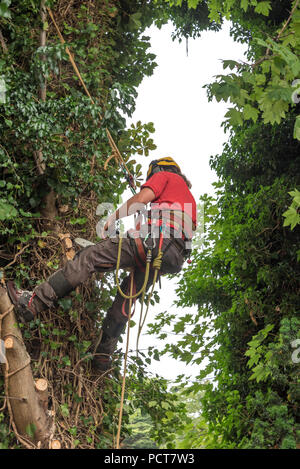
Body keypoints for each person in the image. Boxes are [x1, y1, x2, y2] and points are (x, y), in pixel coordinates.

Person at [7, 157, 197, 373]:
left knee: (90, 257)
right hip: (171, 257)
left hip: (156, 241)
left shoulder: (165, 176)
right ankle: (103, 355)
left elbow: (142, 198)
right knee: (126, 296)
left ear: (158, 170)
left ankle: (34, 302)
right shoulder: (186, 197)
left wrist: (114, 217)